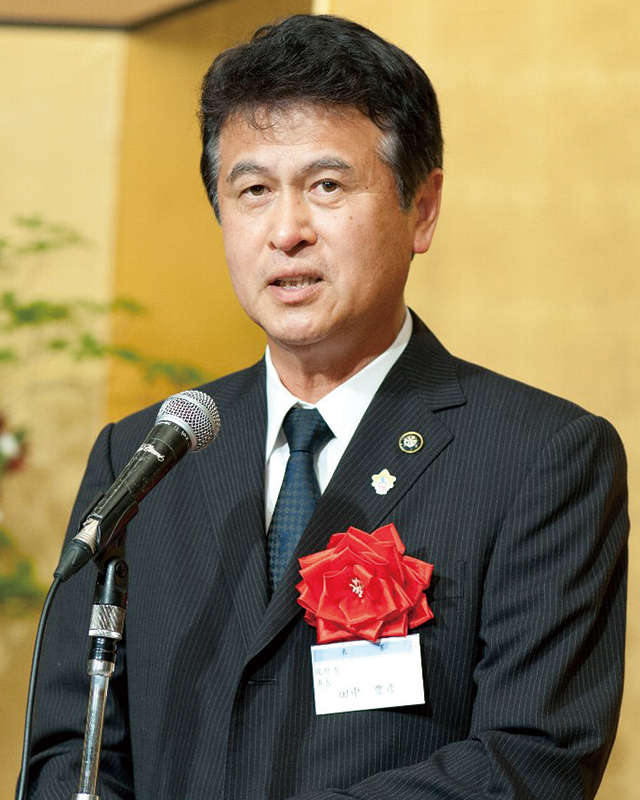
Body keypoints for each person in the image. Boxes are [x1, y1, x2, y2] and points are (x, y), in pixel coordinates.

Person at [25, 14, 628, 800]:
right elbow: (71, 750)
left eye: (327, 186)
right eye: (252, 191)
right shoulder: (144, 455)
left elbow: (530, 761)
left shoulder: (541, 457)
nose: (286, 232)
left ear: (422, 209)